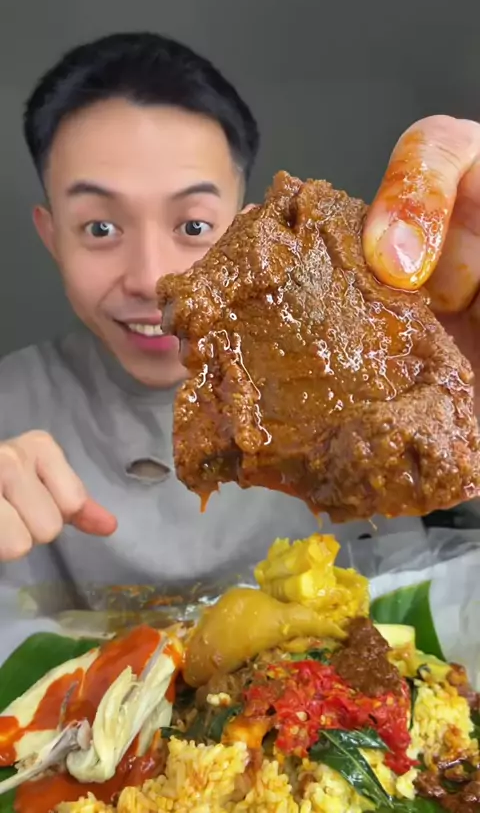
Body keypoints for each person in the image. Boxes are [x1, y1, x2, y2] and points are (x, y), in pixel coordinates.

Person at [0, 32, 478, 601]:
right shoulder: (11, 404)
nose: (152, 278)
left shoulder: (378, 368)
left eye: (194, 226)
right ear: (52, 235)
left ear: (244, 216)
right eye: (100, 227)